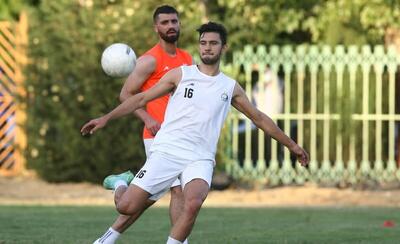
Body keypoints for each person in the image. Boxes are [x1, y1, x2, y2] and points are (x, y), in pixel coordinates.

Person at [82, 22, 309, 244]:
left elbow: (259, 118)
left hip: (200, 157)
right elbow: (140, 98)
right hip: (167, 150)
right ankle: (122, 183)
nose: (207, 47)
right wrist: (105, 118)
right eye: (203, 43)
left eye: (213, 43)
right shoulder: (180, 75)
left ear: (223, 48)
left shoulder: (229, 87)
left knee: (193, 202)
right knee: (126, 207)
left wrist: (292, 146)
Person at [93, 5, 192, 244]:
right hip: (156, 136)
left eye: (174, 21)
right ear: (156, 28)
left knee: (150, 196)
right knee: (177, 190)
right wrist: (148, 118)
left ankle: (107, 236)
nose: (171, 26)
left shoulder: (187, 58)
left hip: (180, 136)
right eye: (165, 22)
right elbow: (125, 95)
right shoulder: (149, 61)